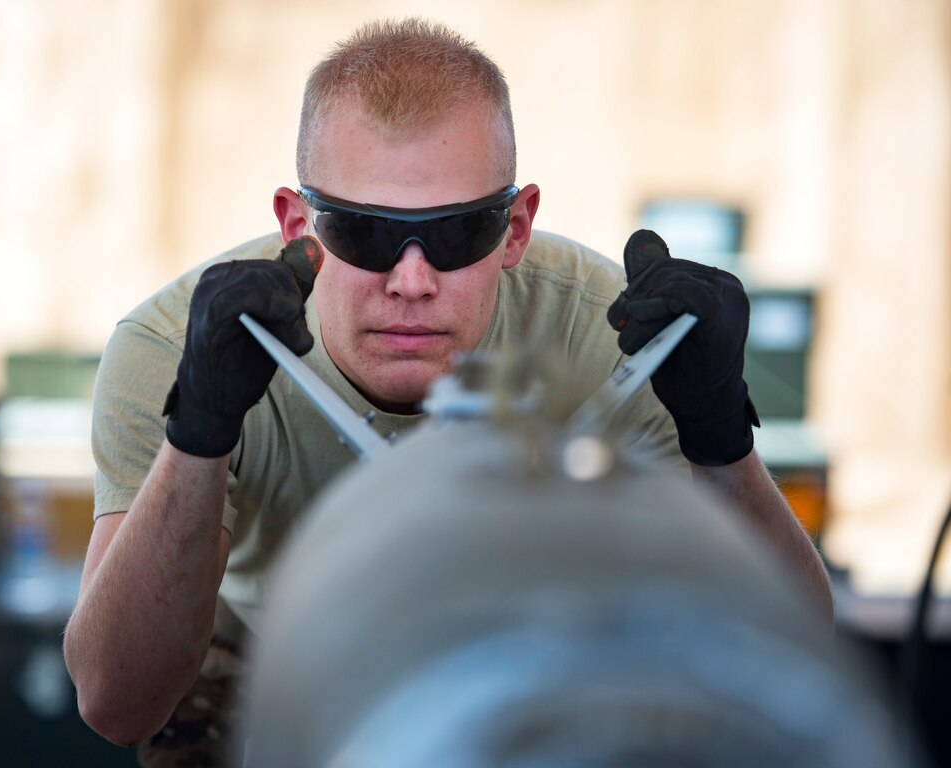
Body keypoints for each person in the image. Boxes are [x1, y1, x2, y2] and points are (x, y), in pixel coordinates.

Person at [63, 16, 833, 762]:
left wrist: (720, 440)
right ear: (299, 227)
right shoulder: (177, 350)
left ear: (516, 229)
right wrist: (197, 433)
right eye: (363, 233)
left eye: (457, 233)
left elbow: (796, 654)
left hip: (529, 662)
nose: (411, 280)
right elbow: (115, 704)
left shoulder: (612, 341)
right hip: (258, 661)